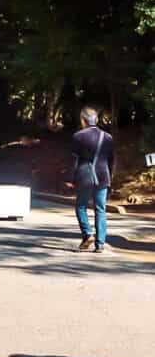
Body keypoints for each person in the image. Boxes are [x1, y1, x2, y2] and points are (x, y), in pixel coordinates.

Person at [67, 106, 115, 253]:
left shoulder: (78, 136)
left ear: (83, 120)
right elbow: (111, 160)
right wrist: (110, 178)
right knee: (101, 209)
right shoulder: (108, 137)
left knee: (81, 206)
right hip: (103, 176)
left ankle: (87, 234)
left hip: (85, 176)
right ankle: (100, 244)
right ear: (97, 119)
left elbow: (74, 160)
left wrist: (71, 178)